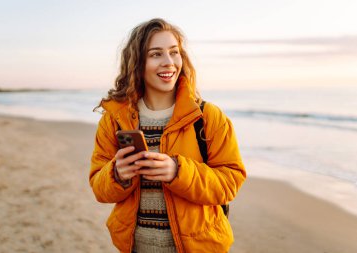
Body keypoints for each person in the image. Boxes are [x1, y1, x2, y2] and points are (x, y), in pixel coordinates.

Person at [89, 18, 246, 253]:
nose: (169, 63)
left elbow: (230, 183)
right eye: (156, 54)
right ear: (137, 62)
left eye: (174, 52)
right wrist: (117, 173)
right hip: (135, 247)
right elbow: (99, 189)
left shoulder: (207, 116)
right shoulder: (114, 119)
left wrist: (178, 172)